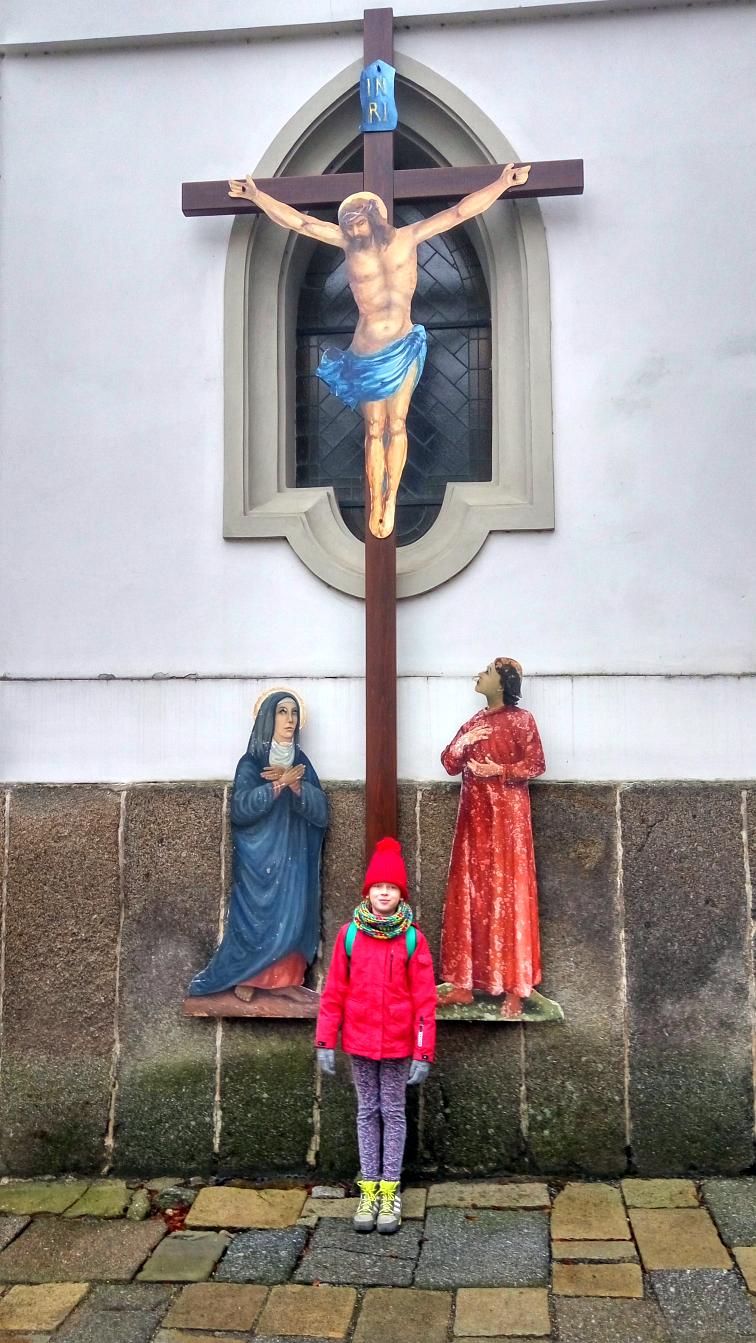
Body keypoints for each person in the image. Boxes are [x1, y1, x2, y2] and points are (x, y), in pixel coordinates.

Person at [228, 163, 531, 539]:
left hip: (403, 344)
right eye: (348, 226)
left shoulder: (409, 236)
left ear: (374, 218)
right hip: (367, 350)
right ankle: (376, 497)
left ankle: (391, 498)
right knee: (374, 428)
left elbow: (459, 212)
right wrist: (258, 197)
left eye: (358, 224)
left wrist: (501, 184)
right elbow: (300, 223)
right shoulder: (347, 245)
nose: (353, 231)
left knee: (397, 423)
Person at [315, 836, 437, 1234]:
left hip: (399, 1044)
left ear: (401, 894)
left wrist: (423, 1051)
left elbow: (425, 1000)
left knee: (394, 1112)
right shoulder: (350, 936)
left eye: (392, 887)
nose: (384, 893)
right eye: (378, 887)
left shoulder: (412, 938)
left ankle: (390, 1190)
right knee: (367, 1111)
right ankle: (369, 1190)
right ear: (367, 892)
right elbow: (335, 990)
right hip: (361, 1043)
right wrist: (325, 1040)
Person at [187, 689, 327, 1002]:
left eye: (294, 713)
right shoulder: (251, 763)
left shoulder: (301, 763)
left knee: (292, 912)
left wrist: (298, 785)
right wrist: (278, 784)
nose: (290, 720)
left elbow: (321, 811)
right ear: (267, 718)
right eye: (282, 712)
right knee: (255, 917)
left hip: (293, 855)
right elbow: (241, 808)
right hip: (258, 856)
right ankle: (247, 976)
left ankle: (287, 981)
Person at [438, 658, 558, 1021]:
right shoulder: (474, 722)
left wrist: (499, 770)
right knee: (469, 893)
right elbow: (449, 763)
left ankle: (514, 988)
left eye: (487, 672)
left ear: (503, 682)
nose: (479, 674)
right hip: (473, 823)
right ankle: (463, 983)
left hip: (508, 823)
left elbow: (536, 763)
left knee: (509, 894)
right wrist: (463, 742)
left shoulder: (522, 720)